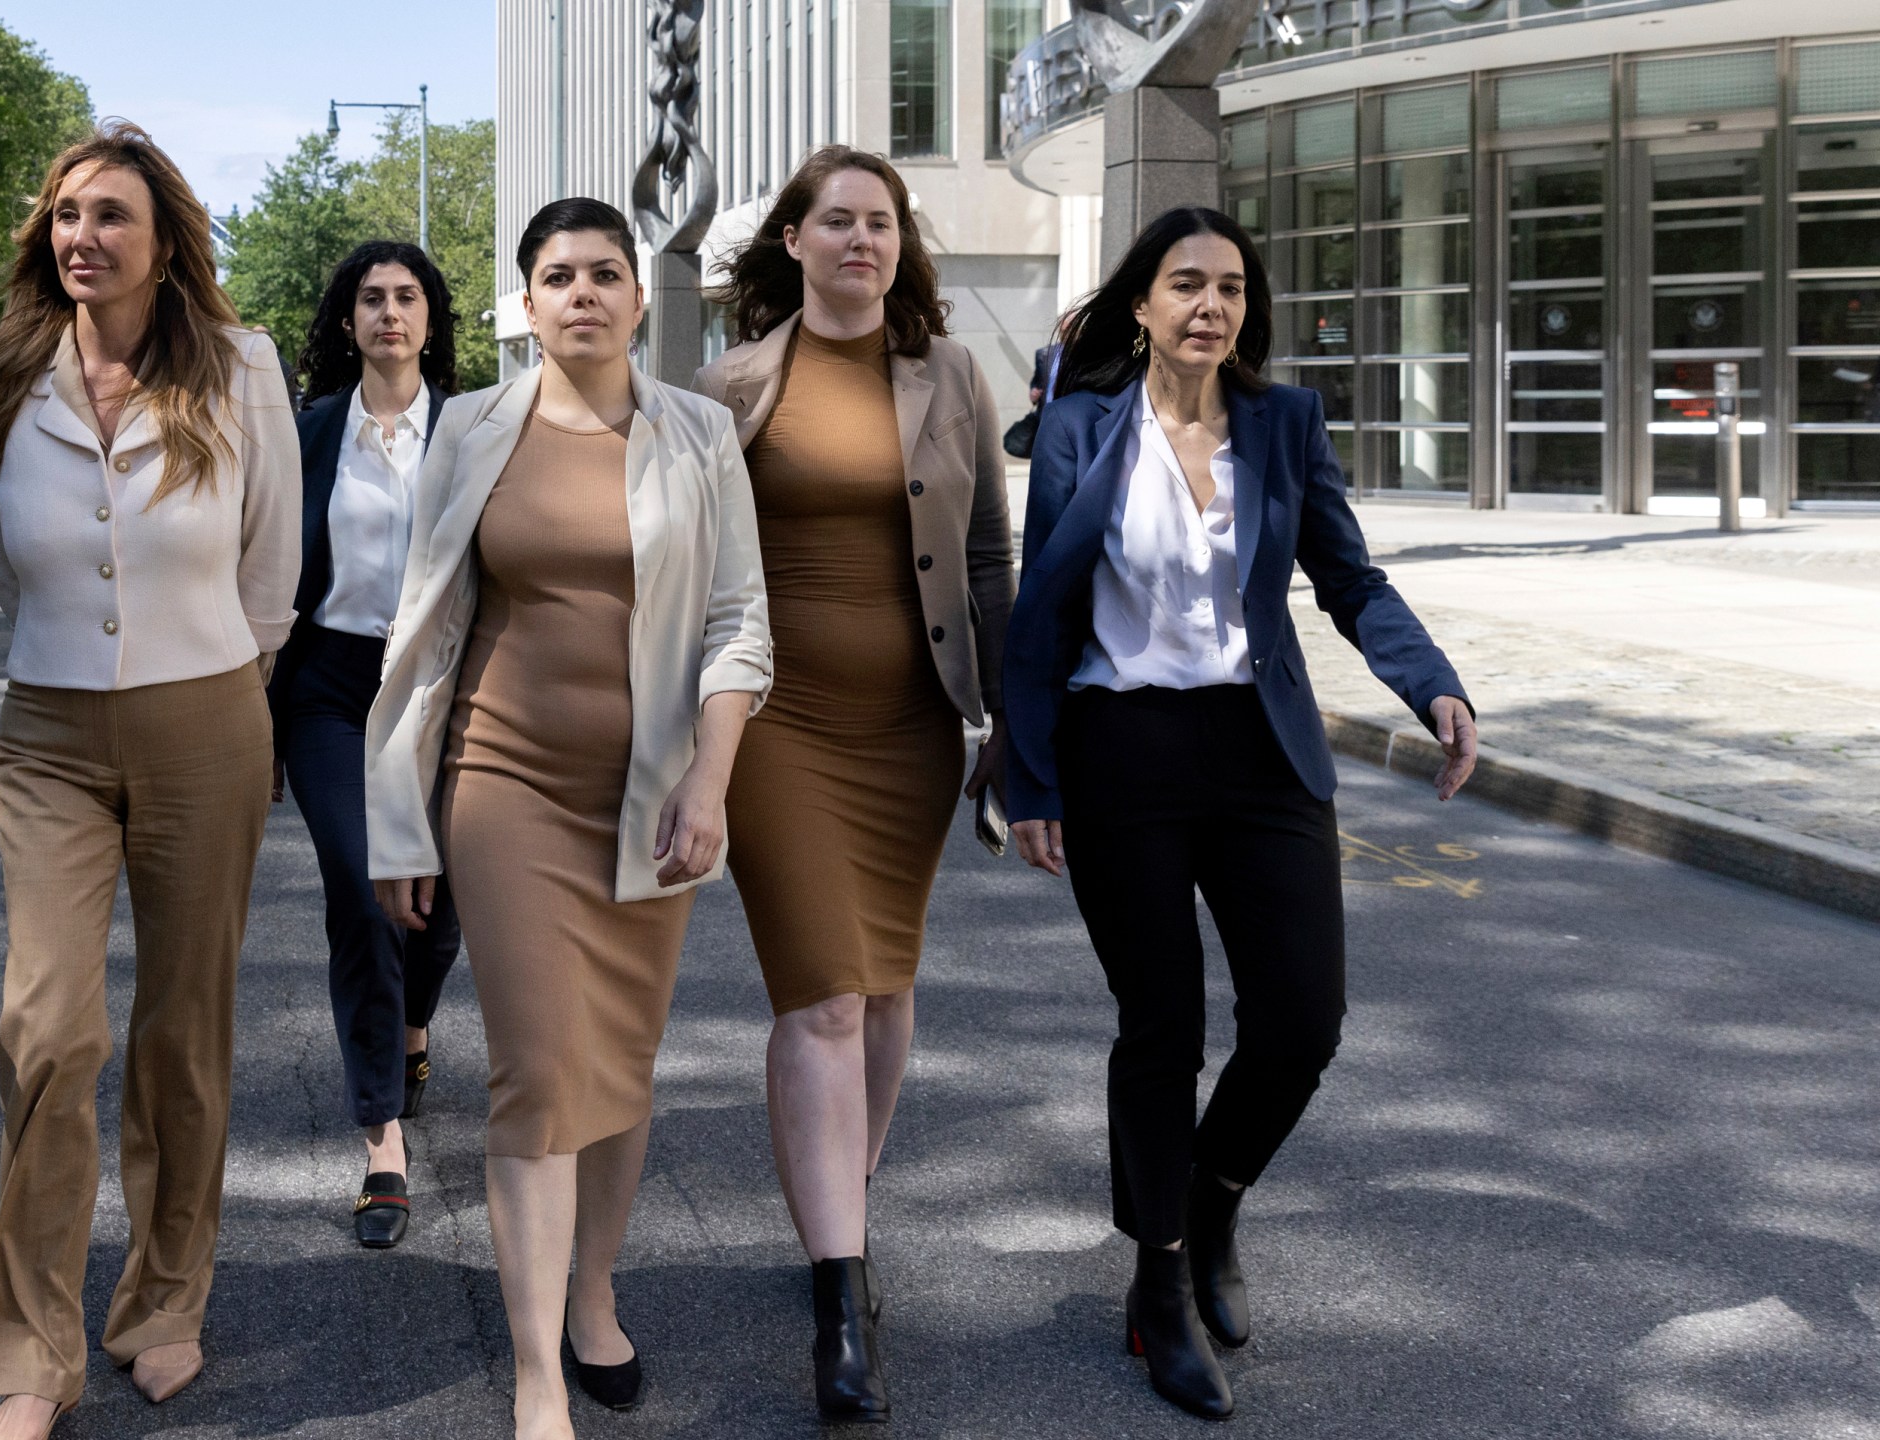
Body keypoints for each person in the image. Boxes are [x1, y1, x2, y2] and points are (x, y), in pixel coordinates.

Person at [999, 206, 1478, 1421]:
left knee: (1301, 1023)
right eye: (1185, 284)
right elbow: (1042, 613)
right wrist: (1031, 778)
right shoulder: (1076, 430)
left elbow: (1348, 578)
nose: (1209, 305)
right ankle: (1158, 1282)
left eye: (1229, 288)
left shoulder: (1283, 422)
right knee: (1159, 1026)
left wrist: (1430, 683)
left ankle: (1208, 1201)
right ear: (1144, 304)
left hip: (1262, 757)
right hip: (1123, 755)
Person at [367, 197, 772, 1439]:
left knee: (620, 1065)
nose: (584, 292)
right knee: (539, 1070)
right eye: (558, 275)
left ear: (639, 300)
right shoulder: (474, 430)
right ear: (526, 305)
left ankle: (594, 1288)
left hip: (650, 796)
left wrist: (710, 783)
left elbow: (738, 619)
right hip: (506, 782)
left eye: (606, 273)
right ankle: (538, 1368)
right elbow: (426, 628)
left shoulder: (699, 431)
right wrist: (400, 823)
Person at [0, 120, 299, 1440]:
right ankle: (34, 1353)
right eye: (65, 215)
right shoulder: (5, 376)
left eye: (110, 217)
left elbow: (270, 571)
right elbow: (7, 566)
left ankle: (164, 1297)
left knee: (182, 1032)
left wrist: (222, 689)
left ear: (164, 246)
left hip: (210, 722)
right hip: (46, 736)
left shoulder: (241, 370)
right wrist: (75, 657)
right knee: (47, 1032)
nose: (81, 236)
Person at [691, 145, 1014, 1422]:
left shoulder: (951, 376)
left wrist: (1012, 728)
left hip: (913, 730)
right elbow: (692, 574)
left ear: (898, 244)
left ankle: (847, 1204)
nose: (859, 241)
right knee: (822, 997)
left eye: (879, 222)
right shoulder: (728, 388)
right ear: (792, 242)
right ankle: (839, 1293)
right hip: (780, 725)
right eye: (835, 221)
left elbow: (988, 554)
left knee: (882, 992)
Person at [266, 240, 464, 1249]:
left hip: (449, 688)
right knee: (362, 884)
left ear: (432, 317)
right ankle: (382, 1134)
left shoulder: (475, 432)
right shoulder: (304, 434)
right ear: (346, 321)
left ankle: (416, 1027)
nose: (390, 312)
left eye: (407, 296)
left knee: (439, 902)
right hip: (331, 691)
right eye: (370, 298)